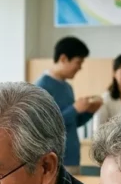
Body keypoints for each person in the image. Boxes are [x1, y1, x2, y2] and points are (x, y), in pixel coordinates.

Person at [35, 36, 102, 174]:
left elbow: (72, 123)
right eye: (78, 62)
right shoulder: (41, 86)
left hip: (73, 158)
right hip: (54, 161)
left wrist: (89, 112)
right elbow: (44, 126)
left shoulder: (68, 87)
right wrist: (75, 108)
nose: (80, 67)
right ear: (64, 58)